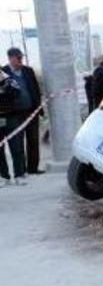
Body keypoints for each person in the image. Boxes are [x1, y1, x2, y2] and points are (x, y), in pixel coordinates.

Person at [3, 47, 43, 175]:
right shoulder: (4, 72)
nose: (21, 60)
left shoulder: (28, 71)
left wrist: (39, 108)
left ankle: (33, 168)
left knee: (33, 140)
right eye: (18, 58)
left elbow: (36, 89)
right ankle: (20, 171)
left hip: (31, 112)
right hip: (14, 114)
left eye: (21, 57)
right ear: (10, 58)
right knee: (17, 143)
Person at [0, 66, 26, 186]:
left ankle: (19, 175)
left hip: (11, 117)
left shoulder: (8, 79)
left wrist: (5, 88)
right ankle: (4, 177)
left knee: (16, 147)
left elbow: (16, 92)